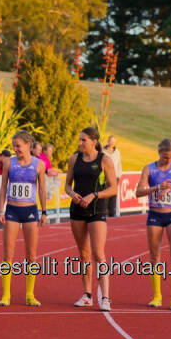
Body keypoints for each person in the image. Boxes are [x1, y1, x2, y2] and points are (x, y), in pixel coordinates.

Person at [135, 138, 171, 310]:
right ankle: (157, 296)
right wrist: (157, 188)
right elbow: (138, 192)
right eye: (166, 157)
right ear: (159, 153)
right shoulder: (149, 169)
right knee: (154, 256)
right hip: (155, 215)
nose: (169, 160)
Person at [65, 127, 118, 311]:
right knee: (83, 254)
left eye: (83, 140)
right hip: (77, 210)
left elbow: (113, 188)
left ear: (94, 142)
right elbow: (67, 185)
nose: (80, 143)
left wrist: (94, 195)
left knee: (98, 253)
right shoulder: (74, 159)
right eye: (79, 140)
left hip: (97, 209)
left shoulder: (105, 160)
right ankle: (87, 295)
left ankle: (105, 298)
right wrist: (73, 194)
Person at [0, 131, 48, 307]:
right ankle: (6, 295)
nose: (15, 148)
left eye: (18, 145)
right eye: (13, 145)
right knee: (8, 253)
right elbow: (3, 186)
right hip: (12, 210)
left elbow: (42, 189)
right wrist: (0, 210)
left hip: (30, 212)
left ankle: (29, 294)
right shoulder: (8, 162)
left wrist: (44, 212)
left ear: (28, 145)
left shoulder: (39, 164)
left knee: (31, 255)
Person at [102, 135, 122, 217]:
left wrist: (119, 175)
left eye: (113, 142)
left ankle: (112, 213)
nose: (112, 143)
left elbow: (119, 164)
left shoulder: (117, 152)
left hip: (115, 176)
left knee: (113, 194)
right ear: (108, 141)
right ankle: (104, 212)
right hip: (105, 176)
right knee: (105, 194)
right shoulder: (102, 151)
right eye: (110, 141)